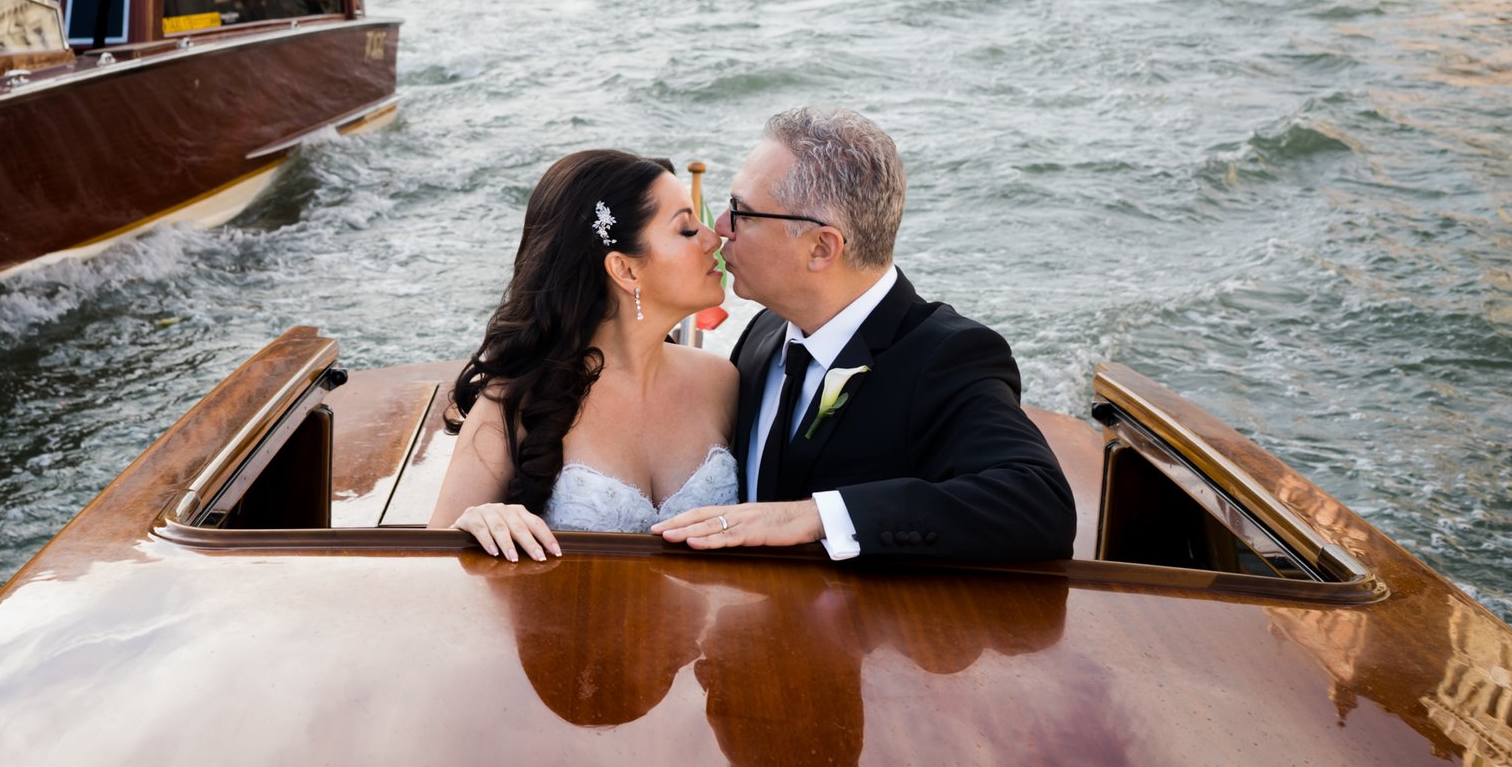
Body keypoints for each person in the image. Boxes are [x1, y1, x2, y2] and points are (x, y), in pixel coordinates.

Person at [652, 107, 1075, 563]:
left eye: (742, 213)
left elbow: (1039, 504)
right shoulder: (765, 330)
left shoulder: (947, 356)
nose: (719, 230)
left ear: (821, 247)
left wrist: (818, 516)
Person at [431, 150, 738, 561]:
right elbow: (433, 561)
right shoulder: (513, 401)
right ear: (625, 270)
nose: (713, 238)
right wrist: (478, 520)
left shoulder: (723, 382)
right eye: (686, 230)